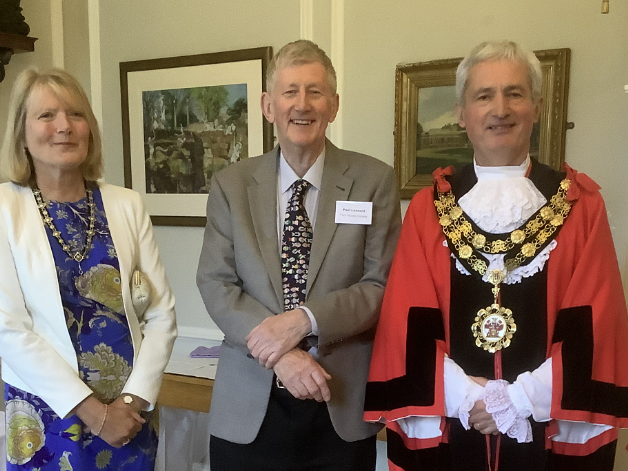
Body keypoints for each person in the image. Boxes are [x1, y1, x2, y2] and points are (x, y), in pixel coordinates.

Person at [364, 40, 628, 471]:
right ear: (462, 114)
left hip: (546, 427)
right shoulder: (428, 211)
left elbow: (596, 326)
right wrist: (471, 398)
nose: (499, 109)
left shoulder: (582, 207)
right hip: (456, 421)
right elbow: (405, 323)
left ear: (537, 107)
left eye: (515, 93)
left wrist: (518, 400)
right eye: (484, 96)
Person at [196, 39, 401, 471]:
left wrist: (304, 320)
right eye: (290, 92)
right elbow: (216, 282)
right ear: (269, 105)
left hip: (339, 404)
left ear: (334, 104)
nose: (302, 105)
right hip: (249, 407)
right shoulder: (231, 185)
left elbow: (380, 285)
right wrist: (282, 354)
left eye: (315, 91)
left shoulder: (373, 180)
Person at [0, 68, 177, 470]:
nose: (64, 126)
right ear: (21, 132)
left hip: (130, 417)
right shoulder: (4, 210)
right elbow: (7, 328)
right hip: (48, 417)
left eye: (76, 114)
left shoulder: (126, 204)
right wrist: (94, 413)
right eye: (47, 116)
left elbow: (162, 313)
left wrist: (132, 401)